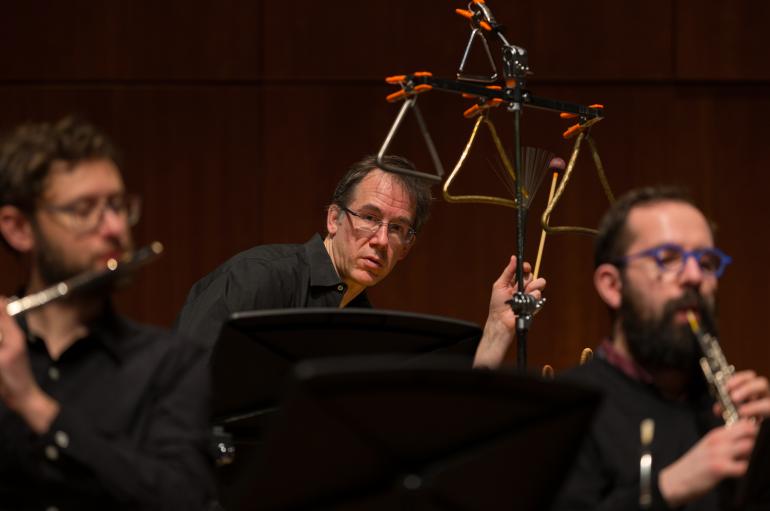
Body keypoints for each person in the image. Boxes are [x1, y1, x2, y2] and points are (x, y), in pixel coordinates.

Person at [0, 117, 214, 509]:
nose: (115, 227)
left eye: (117, 206)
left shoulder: (171, 365)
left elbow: (183, 499)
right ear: (19, 229)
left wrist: (36, 406)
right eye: (85, 210)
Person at [175, 154, 544, 368]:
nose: (381, 240)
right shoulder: (259, 276)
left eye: (397, 228)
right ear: (334, 219)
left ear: (407, 248)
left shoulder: (362, 324)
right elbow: (182, 383)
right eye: (369, 217)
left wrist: (497, 328)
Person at [553, 187, 770, 510]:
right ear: (613, 286)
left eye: (707, 262)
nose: (695, 277)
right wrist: (668, 488)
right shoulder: (566, 410)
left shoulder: (721, 409)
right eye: (668, 259)